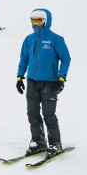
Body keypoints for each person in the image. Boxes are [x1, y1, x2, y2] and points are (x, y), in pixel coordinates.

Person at [16, 8, 71, 155]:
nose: (36, 24)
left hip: (50, 82)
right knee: (32, 113)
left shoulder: (56, 39)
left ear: (46, 21)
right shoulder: (29, 39)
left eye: (39, 21)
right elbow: (24, 59)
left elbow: (65, 58)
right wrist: (20, 77)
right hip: (32, 82)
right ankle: (38, 141)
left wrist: (61, 78)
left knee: (49, 114)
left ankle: (55, 143)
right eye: (33, 21)